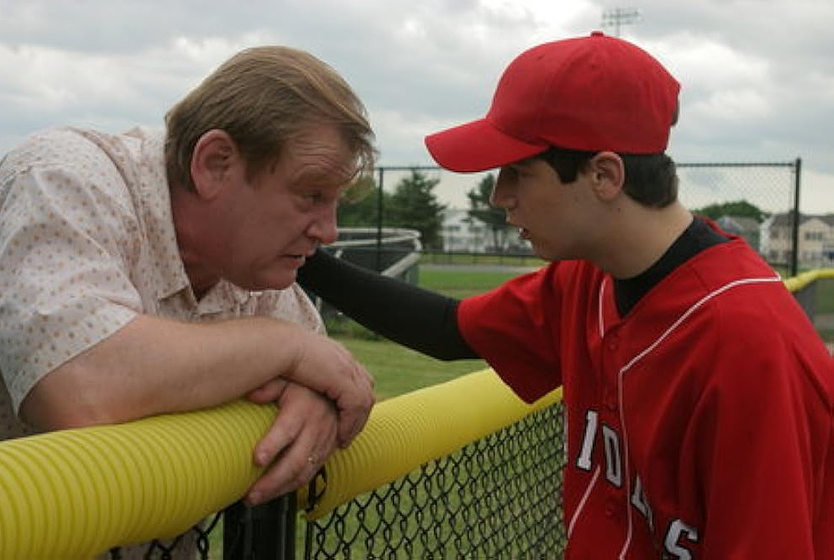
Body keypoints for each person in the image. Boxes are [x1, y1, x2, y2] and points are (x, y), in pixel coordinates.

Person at [297, 32, 834, 558]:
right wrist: (299, 255)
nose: (498, 196)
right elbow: (448, 329)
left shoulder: (749, 346)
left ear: (604, 174)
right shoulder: (589, 276)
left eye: (519, 172)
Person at [0, 46, 376, 556]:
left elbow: (330, 377)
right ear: (215, 164)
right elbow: (77, 386)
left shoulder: (249, 265)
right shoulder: (63, 177)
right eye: (310, 195)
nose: (328, 231)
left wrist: (313, 392)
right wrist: (282, 348)